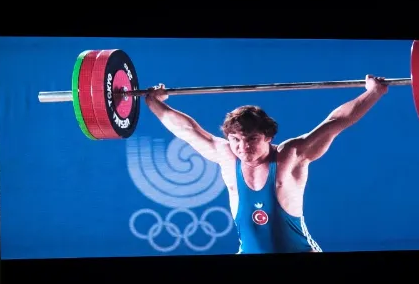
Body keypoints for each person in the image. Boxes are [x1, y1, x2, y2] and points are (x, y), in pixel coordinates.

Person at [144, 76, 389, 253]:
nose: (243, 147)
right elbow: (187, 130)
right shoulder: (226, 156)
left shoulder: (290, 156)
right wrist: (154, 102)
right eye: (236, 139)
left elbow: (335, 122)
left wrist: (373, 92)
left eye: (251, 139)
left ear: (268, 136)